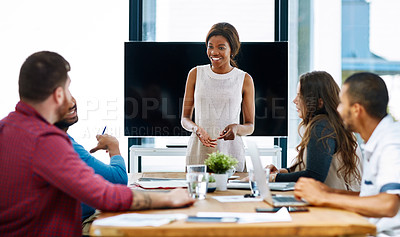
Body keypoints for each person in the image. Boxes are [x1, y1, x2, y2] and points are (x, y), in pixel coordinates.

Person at [0, 51, 195, 237]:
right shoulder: (45, 140)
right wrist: (169, 198)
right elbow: (104, 195)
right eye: (68, 88)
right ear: (59, 95)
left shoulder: (6, 128)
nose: (71, 96)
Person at [294, 72, 400, 236]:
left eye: (342, 104)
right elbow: (369, 197)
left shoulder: (391, 144)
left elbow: (388, 205)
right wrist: (329, 192)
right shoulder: (377, 140)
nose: (337, 109)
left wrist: (324, 197)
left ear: (357, 109)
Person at [266, 71, 362, 191]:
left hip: (334, 205)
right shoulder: (331, 123)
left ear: (319, 102)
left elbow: (314, 176)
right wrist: (283, 172)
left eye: (300, 96)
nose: (294, 100)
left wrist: (274, 178)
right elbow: (315, 165)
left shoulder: (322, 126)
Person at [181, 22, 255, 172]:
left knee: (233, 194)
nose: (214, 52)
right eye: (210, 46)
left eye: (221, 47)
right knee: (197, 194)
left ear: (232, 49)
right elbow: (185, 119)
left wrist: (237, 128)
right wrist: (196, 129)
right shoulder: (195, 74)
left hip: (231, 154)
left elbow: (250, 126)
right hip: (199, 153)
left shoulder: (244, 79)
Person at [54, 97, 128, 235]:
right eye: (60, 97)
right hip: (76, 225)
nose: (71, 102)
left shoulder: (61, 138)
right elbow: (119, 179)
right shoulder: (61, 144)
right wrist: (113, 147)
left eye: (68, 93)